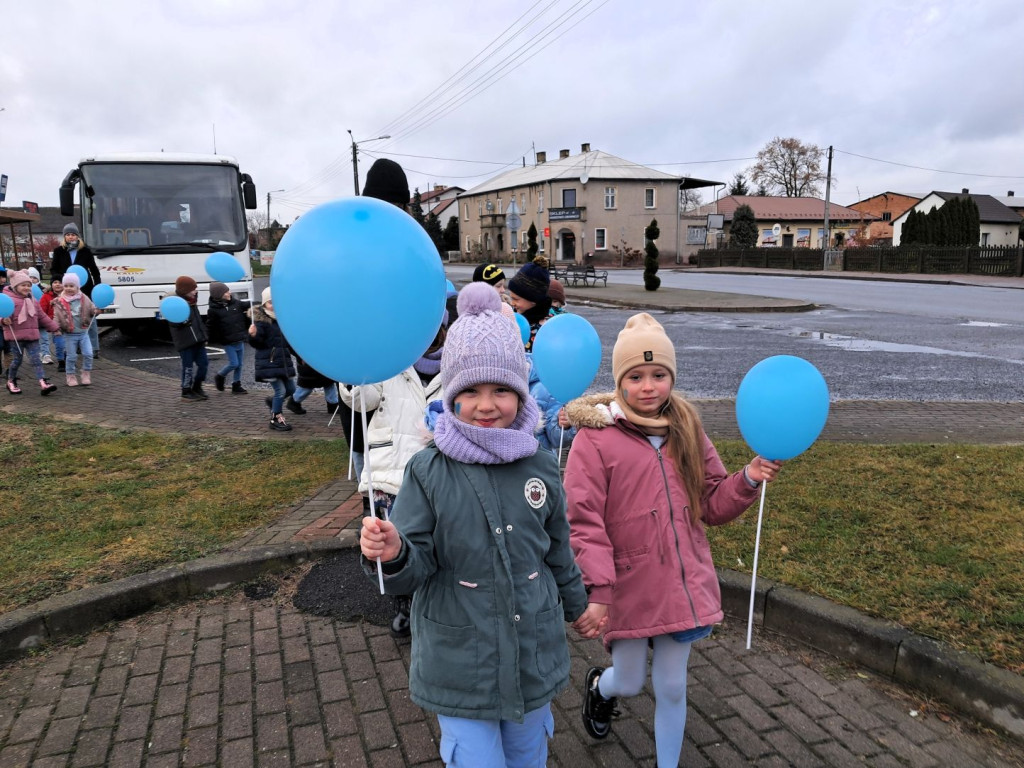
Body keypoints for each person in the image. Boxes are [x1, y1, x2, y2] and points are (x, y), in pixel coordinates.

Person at [359, 282, 588, 767]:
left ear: (522, 392)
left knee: (528, 756)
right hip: (461, 658)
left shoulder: (541, 465)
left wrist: (577, 605)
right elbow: (414, 565)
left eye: (502, 389)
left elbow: (557, 548)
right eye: (472, 391)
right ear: (452, 394)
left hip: (531, 649)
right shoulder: (428, 469)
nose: (487, 405)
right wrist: (394, 550)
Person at [562, 312, 782, 767]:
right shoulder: (595, 440)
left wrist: (747, 478)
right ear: (620, 380)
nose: (648, 386)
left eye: (659, 375)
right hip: (628, 583)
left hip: (681, 582)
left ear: (671, 377)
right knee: (628, 680)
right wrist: (598, 590)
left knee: (673, 685)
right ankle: (600, 690)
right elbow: (584, 521)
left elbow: (712, 502)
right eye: (636, 376)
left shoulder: (688, 429)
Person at [342, 307, 449, 638]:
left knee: (435, 543)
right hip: (391, 473)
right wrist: (353, 364)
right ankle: (403, 604)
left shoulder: (458, 366)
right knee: (392, 544)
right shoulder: (390, 364)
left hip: (438, 478)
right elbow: (360, 398)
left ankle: (432, 601)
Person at [2, 270, 60, 395]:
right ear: (15, 286)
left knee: (36, 360)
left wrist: (55, 327)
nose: (27, 288)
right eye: (23, 285)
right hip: (16, 337)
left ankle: (43, 382)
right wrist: (3, 320)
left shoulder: (32, 300)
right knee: (17, 360)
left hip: (32, 336)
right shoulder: (9, 300)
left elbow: (42, 316)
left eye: (28, 285)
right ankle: (11, 381)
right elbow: (3, 314)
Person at [50, 223, 103, 357]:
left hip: (85, 289)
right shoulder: (58, 251)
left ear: (77, 236)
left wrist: (97, 286)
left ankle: (94, 348)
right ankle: (76, 346)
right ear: (64, 237)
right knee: (71, 317)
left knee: (89, 317)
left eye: (73, 234)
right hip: (67, 289)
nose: (70, 237)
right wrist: (62, 280)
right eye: (68, 234)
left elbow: (95, 271)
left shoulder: (85, 251)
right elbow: (54, 270)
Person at [248, 287, 296, 432]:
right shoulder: (262, 322)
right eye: (270, 302)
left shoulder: (281, 319)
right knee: (280, 391)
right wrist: (253, 335)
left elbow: (289, 342)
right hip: (269, 363)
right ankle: (275, 418)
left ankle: (272, 401)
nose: (273, 305)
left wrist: (299, 357)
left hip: (282, 363)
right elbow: (257, 343)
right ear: (264, 305)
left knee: (291, 389)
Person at [168, 276, 209, 402]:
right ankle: (186, 391)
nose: (195, 291)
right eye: (193, 289)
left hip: (198, 340)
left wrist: (204, 336)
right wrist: (182, 322)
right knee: (188, 368)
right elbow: (173, 323)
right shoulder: (176, 303)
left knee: (204, 365)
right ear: (184, 290)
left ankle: (197, 386)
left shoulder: (192, 301)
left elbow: (198, 321)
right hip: (185, 342)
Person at [51, 273, 96, 387]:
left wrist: (96, 311)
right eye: (66, 286)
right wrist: (56, 329)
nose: (68, 288)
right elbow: (56, 316)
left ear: (77, 287)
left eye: (71, 286)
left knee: (88, 353)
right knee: (71, 356)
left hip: (83, 332)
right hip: (69, 334)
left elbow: (91, 309)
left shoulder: (84, 298)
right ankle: (70, 375)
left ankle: (86, 373)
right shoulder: (59, 301)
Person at [205, 281, 249, 394]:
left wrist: (261, 302)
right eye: (226, 291)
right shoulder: (213, 310)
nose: (229, 292)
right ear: (219, 295)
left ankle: (236, 385)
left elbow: (248, 304)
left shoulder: (236, 304)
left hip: (239, 339)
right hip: (228, 342)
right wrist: (206, 338)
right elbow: (210, 325)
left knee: (240, 364)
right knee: (234, 363)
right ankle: (220, 376)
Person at [507, 256, 551, 352]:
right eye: (511, 298)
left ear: (533, 299)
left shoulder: (545, 329)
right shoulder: (511, 319)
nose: (512, 303)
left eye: (516, 299)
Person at [38, 275, 65, 366]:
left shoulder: (68, 295)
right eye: (55, 282)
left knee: (65, 343)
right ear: (51, 284)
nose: (57, 284)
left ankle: (65, 357)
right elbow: (42, 311)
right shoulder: (46, 296)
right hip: (52, 324)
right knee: (57, 342)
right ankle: (58, 359)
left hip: (67, 323)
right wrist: (50, 321)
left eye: (60, 282)